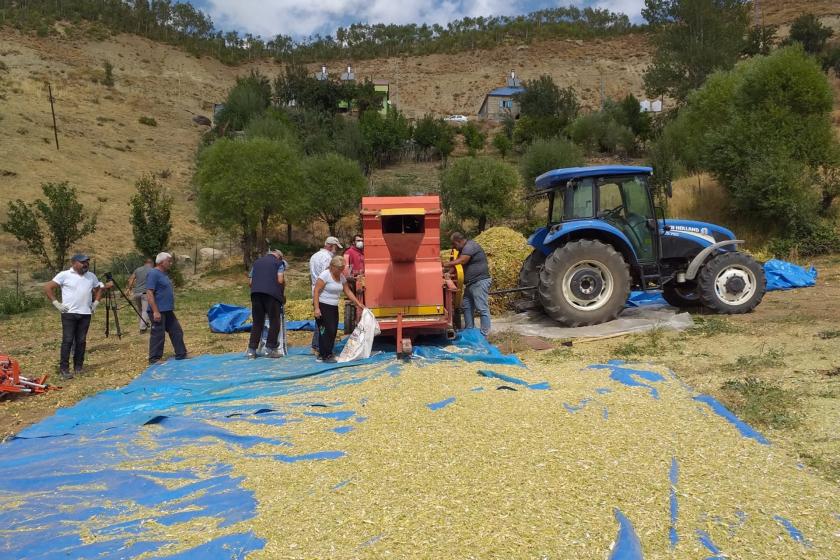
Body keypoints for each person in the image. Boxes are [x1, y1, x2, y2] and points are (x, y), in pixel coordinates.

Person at [43, 254, 103, 379]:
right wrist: (56, 303)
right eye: (82, 262)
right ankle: (64, 369)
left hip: (85, 313)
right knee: (68, 341)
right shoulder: (64, 275)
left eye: (87, 262)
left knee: (81, 341)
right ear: (74, 263)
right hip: (69, 313)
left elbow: (99, 288)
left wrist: (96, 303)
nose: (85, 264)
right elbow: (48, 287)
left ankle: (78, 367)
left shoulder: (91, 276)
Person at [313, 255, 364, 363]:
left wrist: (358, 303)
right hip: (323, 305)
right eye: (339, 268)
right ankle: (324, 354)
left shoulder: (341, 277)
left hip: (333, 307)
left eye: (342, 269)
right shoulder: (325, 275)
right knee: (325, 331)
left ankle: (327, 353)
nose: (341, 271)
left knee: (333, 330)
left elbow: (347, 291)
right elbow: (316, 291)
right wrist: (317, 308)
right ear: (332, 266)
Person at [443, 232, 492, 336]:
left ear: (459, 241)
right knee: (466, 306)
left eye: (454, 244)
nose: (454, 247)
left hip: (479, 281)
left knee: (481, 307)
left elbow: (463, 261)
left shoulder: (470, 246)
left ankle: (484, 333)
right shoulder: (462, 249)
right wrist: (447, 273)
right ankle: (469, 330)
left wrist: (446, 264)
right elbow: (457, 264)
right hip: (470, 283)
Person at [146, 252, 188, 364]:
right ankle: (154, 358)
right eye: (168, 261)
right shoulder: (153, 273)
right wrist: (155, 311)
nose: (171, 263)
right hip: (158, 310)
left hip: (167, 310)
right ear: (161, 262)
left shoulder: (164, 274)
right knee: (158, 335)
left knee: (176, 331)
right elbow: (149, 293)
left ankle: (181, 354)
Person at [246, 249, 287, 359]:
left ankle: (251, 351)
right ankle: (269, 349)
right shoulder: (279, 263)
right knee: (274, 321)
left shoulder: (257, 262)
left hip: (255, 294)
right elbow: (280, 280)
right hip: (272, 295)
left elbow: (250, 282)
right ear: (279, 256)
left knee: (257, 323)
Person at [308, 236, 343, 354]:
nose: (336, 250)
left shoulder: (314, 256)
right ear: (330, 245)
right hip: (324, 294)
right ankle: (320, 347)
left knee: (320, 321)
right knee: (325, 324)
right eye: (336, 247)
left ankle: (316, 345)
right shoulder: (327, 258)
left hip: (316, 289)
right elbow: (327, 275)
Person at [127, 257, 153, 333]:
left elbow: (131, 279)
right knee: (145, 310)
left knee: (140, 310)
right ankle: (142, 328)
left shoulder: (138, 269)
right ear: (151, 263)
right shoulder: (152, 270)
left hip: (136, 292)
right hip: (145, 293)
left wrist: (129, 288)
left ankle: (142, 324)